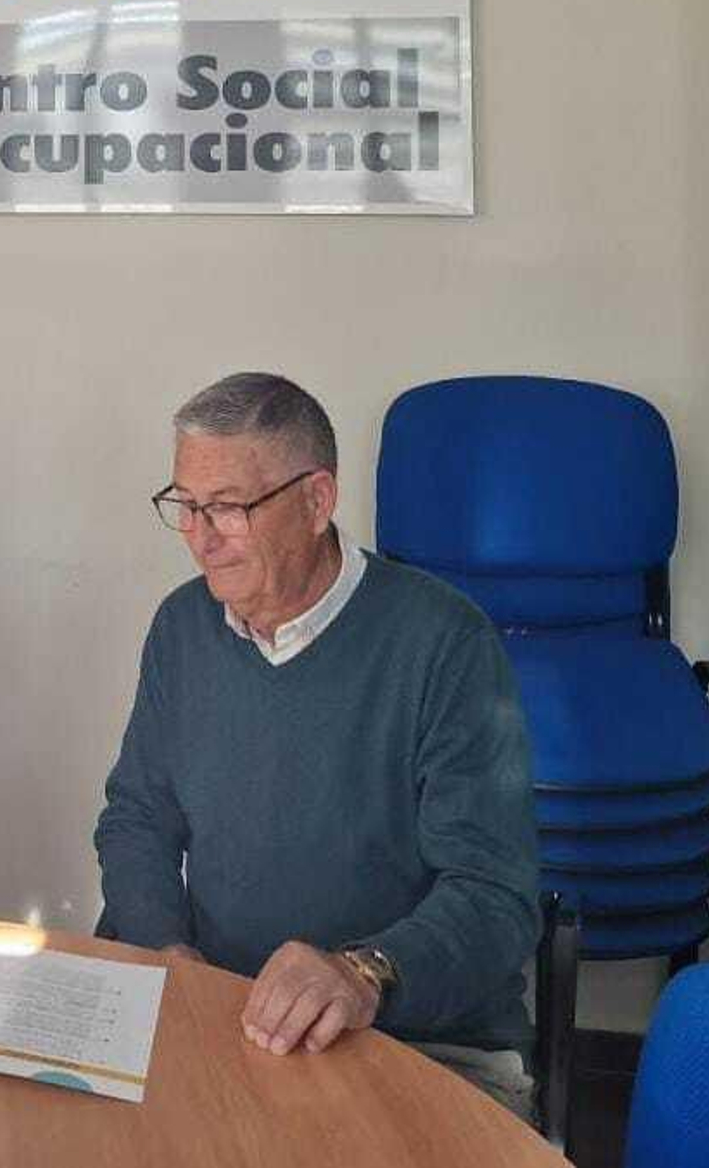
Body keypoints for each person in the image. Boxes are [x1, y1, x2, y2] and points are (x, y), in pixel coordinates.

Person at [94, 373, 540, 1117]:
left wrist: (364, 974)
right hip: (226, 1017)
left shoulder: (444, 642)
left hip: (416, 1042)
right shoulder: (183, 627)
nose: (201, 538)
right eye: (186, 506)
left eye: (228, 507)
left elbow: (495, 897)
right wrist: (169, 953)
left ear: (316, 500)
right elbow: (137, 818)